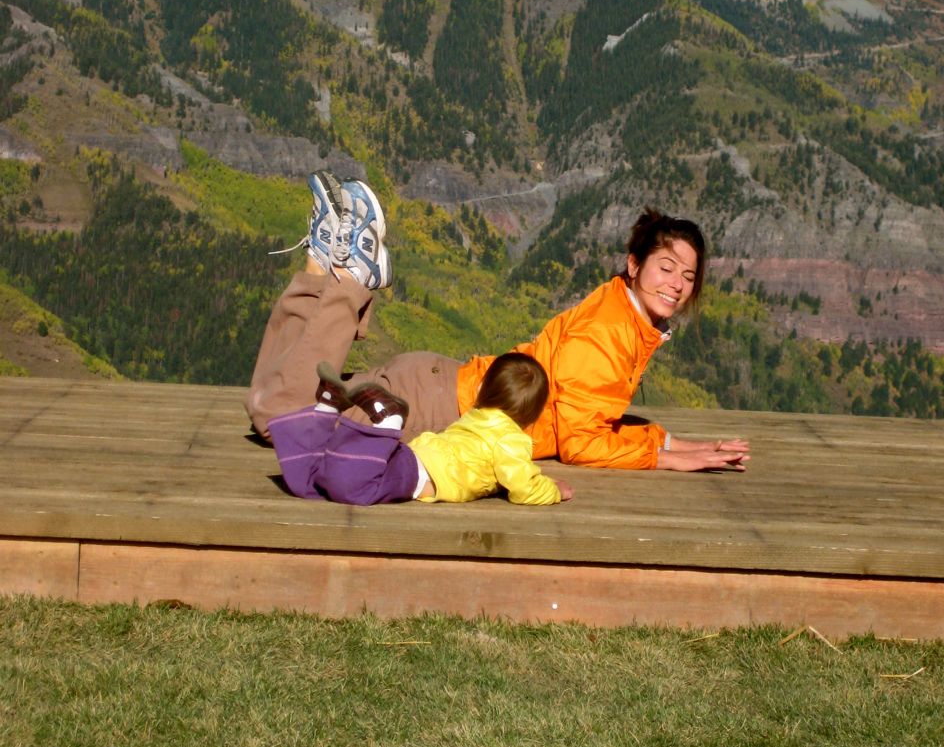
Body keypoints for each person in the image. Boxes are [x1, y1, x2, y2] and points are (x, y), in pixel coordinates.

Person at [247, 172, 748, 473]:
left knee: (275, 399)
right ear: (634, 265)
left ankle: (321, 263)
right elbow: (580, 443)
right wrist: (667, 457)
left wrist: (669, 442)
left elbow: (593, 417)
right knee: (284, 422)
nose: (677, 284)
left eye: (688, 276)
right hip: (440, 410)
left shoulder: (622, 312)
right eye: (667, 268)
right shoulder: (610, 333)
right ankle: (352, 278)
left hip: (437, 386)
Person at [270, 351, 573, 506]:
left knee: (317, 478)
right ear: (531, 416)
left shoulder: (474, 415)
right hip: (419, 475)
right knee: (353, 489)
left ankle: (325, 412)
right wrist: (553, 491)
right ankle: (388, 421)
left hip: (414, 454)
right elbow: (521, 485)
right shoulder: (511, 438)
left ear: (481, 388)